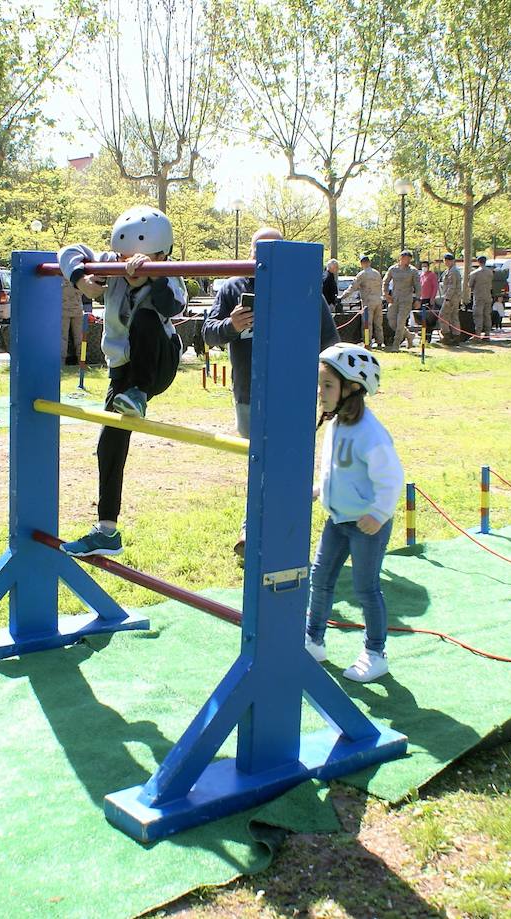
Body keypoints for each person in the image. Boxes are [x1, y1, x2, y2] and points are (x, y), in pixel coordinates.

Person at [56, 206, 186, 558]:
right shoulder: (111, 265)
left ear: (162, 254)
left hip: (158, 364)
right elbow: (69, 252)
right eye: (127, 256)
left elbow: (172, 306)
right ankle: (107, 530)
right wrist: (82, 278)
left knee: (145, 316)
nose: (132, 263)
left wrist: (152, 277)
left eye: (144, 257)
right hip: (122, 370)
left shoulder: (170, 275)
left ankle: (140, 396)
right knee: (108, 444)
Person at [204, 226, 340, 554]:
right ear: (251, 254)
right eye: (261, 251)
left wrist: (329, 389)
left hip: (296, 392)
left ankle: (265, 534)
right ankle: (262, 532)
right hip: (249, 393)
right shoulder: (233, 287)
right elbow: (208, 334)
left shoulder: (304, 286)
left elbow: (330, 341)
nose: (267, 257)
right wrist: (231, 326)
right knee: (262, 462)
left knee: (289, 463)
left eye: (276, 250)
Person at [303, 343, 402, 683]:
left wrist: (378, 512)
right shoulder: (336, 424)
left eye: (328, 386)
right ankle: (313, 640)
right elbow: (335, 468)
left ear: (353, 389)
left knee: (365, 588)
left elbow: (391, 478)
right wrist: (321, 490)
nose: (320, 392)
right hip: (337, 519)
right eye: (320, 385)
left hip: (366, 525)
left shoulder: (370, 433)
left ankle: (376, 653)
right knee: (321, 579)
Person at [382, 249, 419, 349]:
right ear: (401, 258)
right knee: (392, 322)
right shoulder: (393, 269)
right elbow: (385, 282)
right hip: (394, 299)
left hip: (406, 299)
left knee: (401, 321)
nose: (407, 261)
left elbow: (418, 286)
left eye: (409, 259)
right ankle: (409, 335)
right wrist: (386, 294)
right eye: (405, 258)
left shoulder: (413, 271)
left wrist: (418, 299)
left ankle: (396, 344)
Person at [350, 255, 384, 349]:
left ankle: (367, 342)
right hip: (378, 300)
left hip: (368, 302)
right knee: (378, 323)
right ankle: (380, 342)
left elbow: (352, 287)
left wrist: (342, 297)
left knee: (367, 323)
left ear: (362, 263)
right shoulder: (377, 273)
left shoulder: (362, 274)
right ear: (369, 262)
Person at [468, 255, 494, 340]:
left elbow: (470, 285)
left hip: (479, 296)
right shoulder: (490, 272)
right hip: (488, 296)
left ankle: (477, 334)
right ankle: (487, 334)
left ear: (478, 262)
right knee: (487, 315)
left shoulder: (475, 273)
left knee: (478, 315)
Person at [438, 253, 463, 345]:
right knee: (453, 317)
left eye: (448, 260)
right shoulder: (450, 270)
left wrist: (447, 299)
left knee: (443, 316)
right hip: (454, 297)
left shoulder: (453, 271)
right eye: (445, 260)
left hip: (451, 297)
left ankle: (446, 335)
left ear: (452, 261)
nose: (446, 262)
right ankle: (455, 336)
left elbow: (452, 286)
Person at [60, 280, 84, 364]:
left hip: (63, 311)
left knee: (62, 339)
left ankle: (61, 362)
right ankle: (82, 361)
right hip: (78, 310)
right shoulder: (77, 276)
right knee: (81, 339)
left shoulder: (59, 277)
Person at [418, 259, 439, 339]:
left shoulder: (432, 275)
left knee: (429, 318)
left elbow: (435, 287)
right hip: (421, 299)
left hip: (429, 299)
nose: (424, 267)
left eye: (425, 266)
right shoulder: (421, 275)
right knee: (422, 318)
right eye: (423, 266)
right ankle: (423, 336)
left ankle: (428, 336)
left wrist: (432, 298)